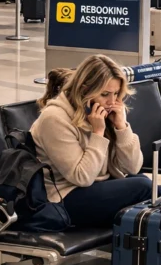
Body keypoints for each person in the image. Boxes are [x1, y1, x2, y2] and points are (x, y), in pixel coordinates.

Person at [29, 54, 153, 229]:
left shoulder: (106, 111)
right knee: (144, 187)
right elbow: (82, 177)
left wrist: (121, 128)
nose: (112, 102)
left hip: (98, 186)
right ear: (84, 89)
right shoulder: (54, 118)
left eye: (116, 93)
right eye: (104, 94)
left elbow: (132, 167)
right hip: (65, 199)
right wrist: (98, 132)